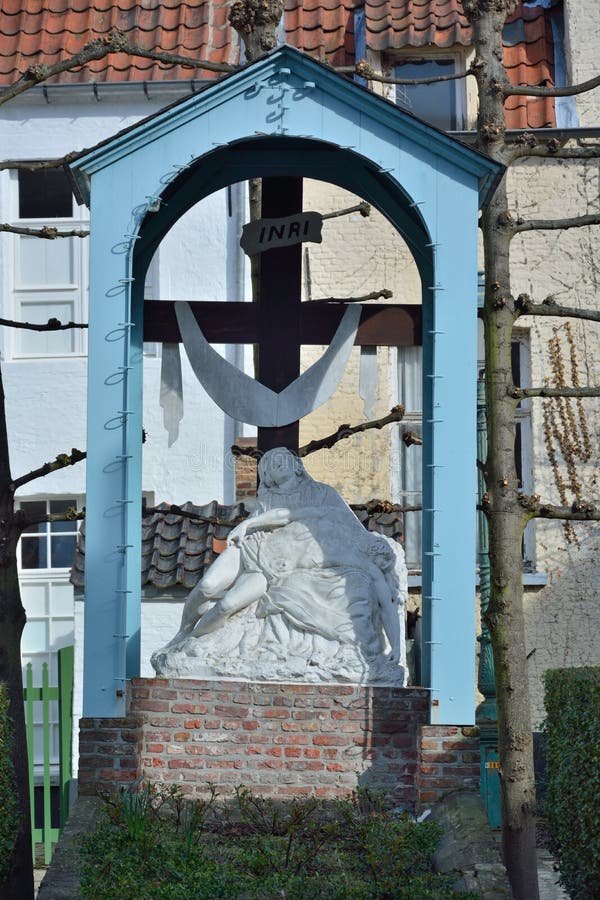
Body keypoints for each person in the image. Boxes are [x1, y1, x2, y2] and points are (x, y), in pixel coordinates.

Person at [167, 448, 403, 662]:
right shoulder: (274, 500)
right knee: (207, 586)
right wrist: (247, 526)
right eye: (270, 463)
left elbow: (387, 605)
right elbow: (284, 515)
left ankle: (192, 643)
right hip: (249, 547)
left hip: (269, 570)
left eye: (282, 459)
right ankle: (182, 633)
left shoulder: (328, 503)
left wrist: (397, 649)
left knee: (227, 605)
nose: (276, 462)